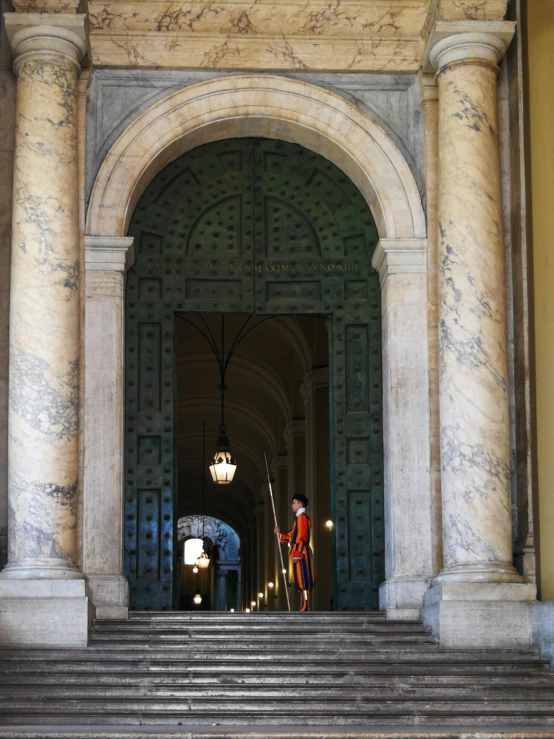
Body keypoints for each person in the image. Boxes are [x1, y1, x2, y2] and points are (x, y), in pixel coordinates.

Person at [275, 494, 314, 612]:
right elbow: (291, 535)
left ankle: (306, 605)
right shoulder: (298, 520)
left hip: (301, 553)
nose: (292, 505)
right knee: (300, 580)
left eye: (294, 503)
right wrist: (279, 534)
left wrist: (297, 553)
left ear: (300, 504)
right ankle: (303, 604)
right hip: (299, 552)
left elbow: (301, 537)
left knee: (304, 580)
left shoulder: (302, 518)